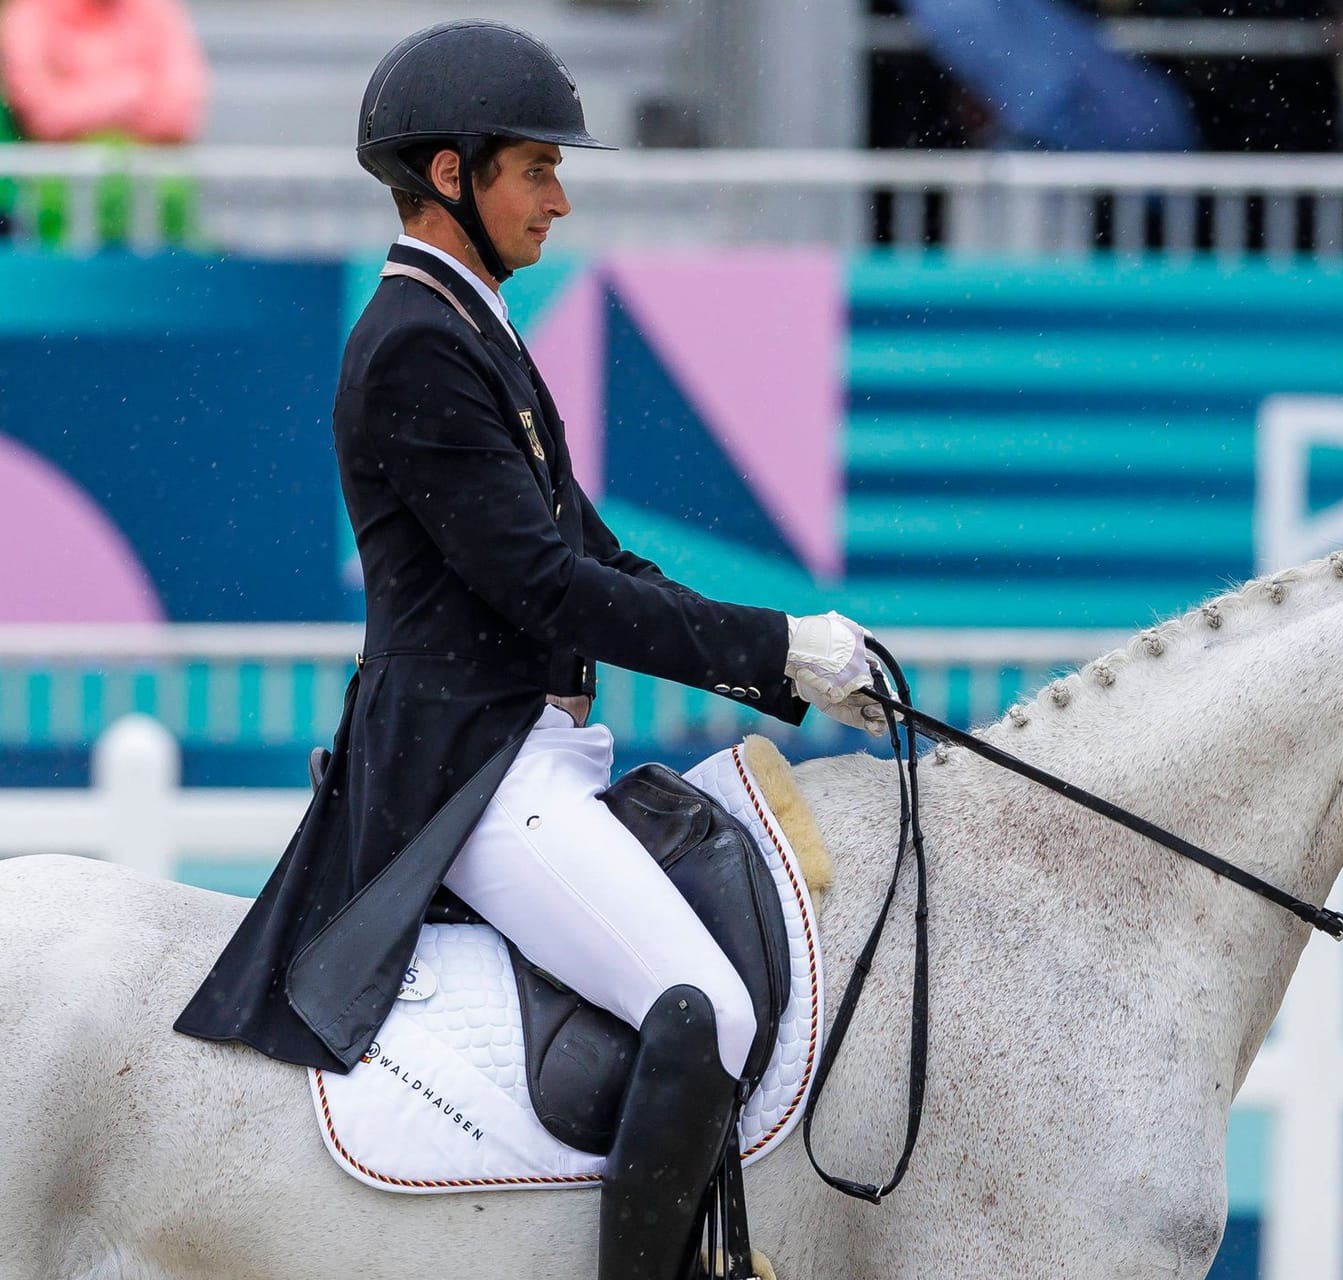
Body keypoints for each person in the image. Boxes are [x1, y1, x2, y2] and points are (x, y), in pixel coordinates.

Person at [173, 20, 879, 1280]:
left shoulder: (475, 327)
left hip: (526, 745)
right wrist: (776, 644)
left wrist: (794, 668)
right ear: (452, 175)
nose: (560, 196)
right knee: (705, 1007)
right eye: (536, 168)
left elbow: (600, 557)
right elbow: (547, 587)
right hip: (470, 767)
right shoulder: (415, 345)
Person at [0, 0, 208, 244]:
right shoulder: (31, 12)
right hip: (54, 210)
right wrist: (130, 92)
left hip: (158, 206)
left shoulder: (158, 9)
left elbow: (179, 113)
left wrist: (78, 105)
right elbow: (40, 115)